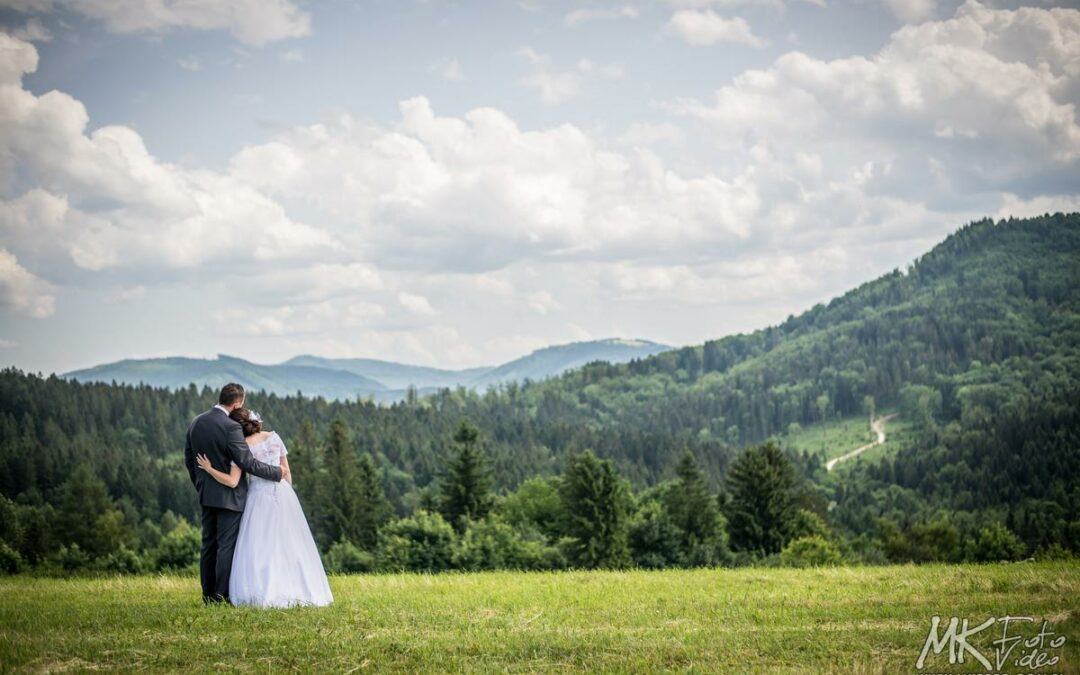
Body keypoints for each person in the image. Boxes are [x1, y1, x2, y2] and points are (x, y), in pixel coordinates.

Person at [195, 406, 333, 608]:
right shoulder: (274, 437)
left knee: (259, 546)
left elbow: (233, 482)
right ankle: (302, 589)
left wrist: (210, 469)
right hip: (284, 494)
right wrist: (289, 496)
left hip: (258, 498)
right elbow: (286, 473)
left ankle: (263, 590)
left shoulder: (241, 447)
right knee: (291, 543)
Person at [184, 383, 289, 604]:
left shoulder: (197, 422)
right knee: (226, 546)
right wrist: (277, 472)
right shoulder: (231, 426)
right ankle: (222, 596)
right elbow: (246, 462)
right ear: (237, 403)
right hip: (230, 498)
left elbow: (189, 458)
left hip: (207, 494)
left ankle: (208, 596)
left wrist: (201, 485)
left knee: (208, 545)